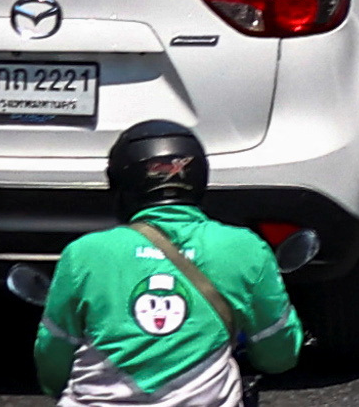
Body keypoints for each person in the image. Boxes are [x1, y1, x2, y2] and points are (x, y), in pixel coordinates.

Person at [34, 123, 306, 407]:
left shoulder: (83, 254)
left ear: (119, 184)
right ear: (199, 178)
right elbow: (278, 356)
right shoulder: (245, 249)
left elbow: (53, 357)